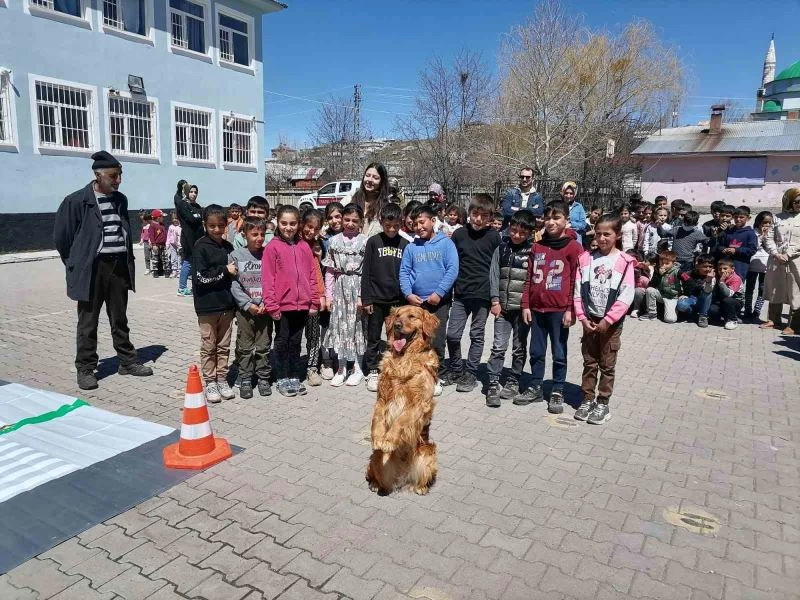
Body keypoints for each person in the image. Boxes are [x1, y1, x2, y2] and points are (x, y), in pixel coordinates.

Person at [54, 150, 153, 390]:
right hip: (92, 269)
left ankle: (127, 361)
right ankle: (86, 368)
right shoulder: (77, 200)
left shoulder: (121, 200)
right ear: (98, 175)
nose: (118, 180)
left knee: (119, 318)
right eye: (113, 176)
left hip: (118, 266)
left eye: (120, 175)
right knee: (88, 321)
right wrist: (76, 263)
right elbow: (62, 237)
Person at [516, 202, 582, 412]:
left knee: (559, 352)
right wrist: (526, 304)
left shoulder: (573, 246)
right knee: (536, 351)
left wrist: (571, 309)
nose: (551, 222)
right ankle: (535, 385)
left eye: (557, 218)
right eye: (548, 218)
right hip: (537, 309)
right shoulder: (537, 245)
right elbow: (529, 278)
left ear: (566, 221)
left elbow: (575, 281)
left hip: (559, 310)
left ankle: (557, 389)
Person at [573, 213, 635, 425]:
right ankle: (588, 398)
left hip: (610, 323)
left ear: (617, 235)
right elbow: (578, 291)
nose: (601, 238)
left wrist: (608, 320)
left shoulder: (625, 262)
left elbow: (626, 295)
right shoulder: (586, 259)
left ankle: (603, 402)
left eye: (607, 234)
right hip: (589, 319)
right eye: (598, 234)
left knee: (607, 364)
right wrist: (582, 317)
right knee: (589, 362)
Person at [443, 194, 501, 392]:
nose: (478, 219)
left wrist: (495, 298)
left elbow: (497, 268)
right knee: (452, 334)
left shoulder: (494, 237)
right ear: (468, 214)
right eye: (475, 214)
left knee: (477, 335)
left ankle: (471, 373)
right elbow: (451, 263)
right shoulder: (459, 234)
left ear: (490, 217)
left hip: (482, 296)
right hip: (460, 293)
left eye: (484, 216)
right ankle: (456, 368)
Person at [399, 203, 459, 395]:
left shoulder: (446, 244)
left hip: (438, 302)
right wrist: (408, 294)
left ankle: (434, 376)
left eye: (422, 222)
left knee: (437, 340)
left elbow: (452, 269)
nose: (419, 227)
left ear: (433, 221)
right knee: (415, 340)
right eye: (415, 224)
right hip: (416, 303)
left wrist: (439, 293)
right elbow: (404, 272)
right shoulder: (411, 248)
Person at [262, 205, 320, 397]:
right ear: (277, 223)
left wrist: (313, 302)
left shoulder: (304, 247)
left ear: (299, 224)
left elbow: (312, 275)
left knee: (296, 342)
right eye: (284, 223)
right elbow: (268, 278)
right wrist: (271, 304)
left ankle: (294, 375)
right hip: (282, 306)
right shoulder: (272, 247)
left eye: (293, 223)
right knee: (282, 342)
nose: (288, 227)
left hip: (302, 305)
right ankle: (281, 377)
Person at [485, 210, 535, 407]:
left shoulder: (533, 251)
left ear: (530, 233)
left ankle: (513, 380)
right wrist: (495, 301)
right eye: (513, 231)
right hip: (503, 309)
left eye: (522, 233)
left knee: (519, 348)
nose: (516, 235)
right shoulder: (501, 248)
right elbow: (494, 275)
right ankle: (492, 383)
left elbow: (532, 281)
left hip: (522, 310)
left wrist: (528, 305)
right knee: (498, 346)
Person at [361, 203, 409, 392]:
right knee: (373, 336)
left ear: (401, 223)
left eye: (396, 226)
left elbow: (407, 273)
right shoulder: (373, 242)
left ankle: (395, 367)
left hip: (397, 301)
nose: (391, 229)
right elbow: (366, 272)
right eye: (387, 225)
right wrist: (367, 299)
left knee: (397, 336)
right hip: (376, 299)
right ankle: (373, 369)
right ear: (381, 222)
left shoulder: (405, 244)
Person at [192, 205, 237, 403]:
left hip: (226, 307)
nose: (217, 230)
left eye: (221, 225)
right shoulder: (200, 247)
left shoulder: (228, 248)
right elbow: (201, 278)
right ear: (205, 225)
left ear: (226, 225)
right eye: (212, 226)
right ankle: (209, 381)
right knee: (209, 346)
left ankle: (221, 378)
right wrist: (225, 271)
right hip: (207, 307)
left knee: (224, 346)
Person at [323, 203, 368, 386]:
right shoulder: (334, 242)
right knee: (340, 327)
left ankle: (357, 367)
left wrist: (362, 296)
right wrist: (329, 295)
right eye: (346, 220)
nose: (350, 224)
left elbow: (368, 272)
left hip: (357, 288)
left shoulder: (366, 241)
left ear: (361, 222)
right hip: (340, 288)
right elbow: (329, 271)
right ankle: (341, 367)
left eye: (354, 221)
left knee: (357, 327)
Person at [230, 217, 272, 399]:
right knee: (245, 346)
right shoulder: (236, 255)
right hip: (245, 310)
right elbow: (234, 285)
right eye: (254, 234)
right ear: (244, 235)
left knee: (263, 346)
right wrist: (247, 305)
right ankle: (245, 378)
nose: (259, 238)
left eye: (262, 234)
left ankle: (263, 377)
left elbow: (273, 280)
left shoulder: (268, 254)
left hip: (265, 309)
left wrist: (265, 302)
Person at [762, 188, 800, 334]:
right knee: (775, 288)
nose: (799, 204)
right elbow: (769, 238)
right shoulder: (777, 218)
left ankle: (794, 324)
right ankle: (773, 319)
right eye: (796, 201)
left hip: (796, 259)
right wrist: (776, 253)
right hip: (777, 259)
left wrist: (789, 254)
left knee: (795, 290)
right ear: (789, 201)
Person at [299, 209, 326, 387]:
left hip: (312, 297)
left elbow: (318, 272)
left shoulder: (318, 245)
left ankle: (312, 367)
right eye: (309, 227)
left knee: (313, 335)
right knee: (291, 336)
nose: (312, 231)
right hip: (293, 298)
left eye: (316, 229)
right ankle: (290, 368)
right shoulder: (294, 243)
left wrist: (321, 295)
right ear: (302, 225)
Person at [319, 202, 344, 379]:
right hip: (327, 288)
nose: (334, 220)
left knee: (343, 325)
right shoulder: (323, 239)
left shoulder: (353, 237)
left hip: (346, 288)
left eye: (338, 216)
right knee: (326, 325)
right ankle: (326, 360)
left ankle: (340, 359)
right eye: (330, 217)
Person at [175, 183, 204, 296]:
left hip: (198, 237)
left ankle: (196, 285)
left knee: (196, 262)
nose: (193, 194)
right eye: (191, 191)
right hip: (188, 238)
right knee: (188, 262)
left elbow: (200, 218)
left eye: (195, 192)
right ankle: (182, 288)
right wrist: (197, 218)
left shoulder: (197, 206)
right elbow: (191, 219)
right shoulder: (183, 205)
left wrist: (197, 217)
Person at [745, 211, 772, 321]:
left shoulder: (772, 233)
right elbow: (753, 247)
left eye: (769, 223)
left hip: (765, 264)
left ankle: (757, 310)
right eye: (764, 222)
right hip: (752, 263)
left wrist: (767, 237)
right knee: (749, 288)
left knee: (762, 288)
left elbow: (770, 248)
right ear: (759, 222)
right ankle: (747, 310)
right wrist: (761, 236)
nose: (766, 225)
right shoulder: (753, 232)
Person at [641, 250, 682, 323]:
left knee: (670, 319)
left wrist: (686, 294)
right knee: (650, 290)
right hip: (661, 294)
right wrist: (659, 275)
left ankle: (675, 309)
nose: (663, 265)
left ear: (673, 263)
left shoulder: (678, 272)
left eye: (667, 263)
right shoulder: (657, 270)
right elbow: (651, 285)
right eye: (662, 263)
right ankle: (652, 313)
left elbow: (689, 282)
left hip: (672, 297)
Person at [718, 206, 758, 281]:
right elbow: (720, 245)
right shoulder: (728, 231)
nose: (738, 219)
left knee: (737, 288)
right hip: (725, 266)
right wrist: (723, 249)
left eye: (741, 217)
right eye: (736, 217)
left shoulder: (750, 234)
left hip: (740, 266)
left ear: (748, 218)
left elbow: (752, 250)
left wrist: (736, 250)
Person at [351, 163, 389, 238]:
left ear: (382, 181)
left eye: (375, 178)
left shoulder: (386, 206)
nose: (370, 180)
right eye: (367, 175)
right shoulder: (349, 200)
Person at [676, 254, 715, 327]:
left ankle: (703, 316)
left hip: (705, 301)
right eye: (705, 266)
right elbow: (680, 284)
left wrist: (709, 280)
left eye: (710, 267)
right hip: (692, 299)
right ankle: (693, 315)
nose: (708, 269)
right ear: (698, 266)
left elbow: (707, 291)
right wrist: (682, 294)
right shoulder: (689, 274)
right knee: (681, 304)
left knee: (707, 292)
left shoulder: (713, 277)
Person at [710, 257, 744, 330]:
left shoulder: (736, 279)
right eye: (720, 269)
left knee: (727, 300)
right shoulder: (716, 276)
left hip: (735, 302)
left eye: (725, 268)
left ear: (732, 269)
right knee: (712, 310)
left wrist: (722, 282)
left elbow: (728, 294)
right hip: (721, 301)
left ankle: (733, 319)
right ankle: (725, 317)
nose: (722, 271)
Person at [148, 209, 166, 278]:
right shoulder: (152, 226)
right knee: (155, 259)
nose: (163, 218)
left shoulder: (162, 225)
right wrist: (154, 244)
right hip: (156, 245)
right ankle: (155, 271)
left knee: (164, 258)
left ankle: (163, 271)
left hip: (163, 245)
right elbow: (151, 236)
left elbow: (164, 234)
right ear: (158, 218)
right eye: (162, 217)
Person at [166, 211, 182, 278]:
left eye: (176, 218)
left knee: (179, 257)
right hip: (172, 244)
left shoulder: (180, 227)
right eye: (173, 218)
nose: (174, 220)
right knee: (173, 257)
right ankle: (174, 270)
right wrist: (167, 243)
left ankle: (179, 271)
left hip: (179, 245)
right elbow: (168, 236)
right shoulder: (171, 227)